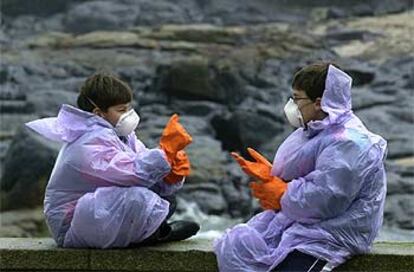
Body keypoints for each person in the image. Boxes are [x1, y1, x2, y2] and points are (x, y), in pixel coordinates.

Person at [214, 63, 387, 271]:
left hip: (331, 234)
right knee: (238, 246)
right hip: (304, 225)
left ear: (318, 103)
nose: (291, 105)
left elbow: (327, 198)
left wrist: (282, 193)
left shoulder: (348, 141)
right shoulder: (316, 130)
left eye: (297, 98)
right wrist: (274, 176)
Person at [25, 72, 200, 248]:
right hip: (71, 227)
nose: (129, 114)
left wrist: (170, 175)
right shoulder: (88, 142)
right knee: (137, 199)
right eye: (121, 110)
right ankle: (157, 234)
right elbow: (132, 173)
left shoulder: (122, 135)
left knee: (167, 197)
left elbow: (145, 168)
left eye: (129, 108)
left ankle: (150, 231)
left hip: (99, 214)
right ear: (99, 113)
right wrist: (165, 153)